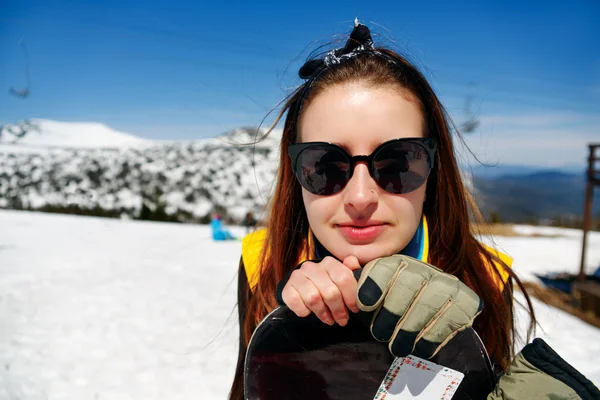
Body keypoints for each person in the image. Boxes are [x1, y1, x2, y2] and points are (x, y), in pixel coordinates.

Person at [229, 20, 599, 400]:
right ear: (296, 175)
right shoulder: (262, 263)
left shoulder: (485, 278)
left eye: (398, 164)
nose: (360, 196)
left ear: (433, 170)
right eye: (324, 166)